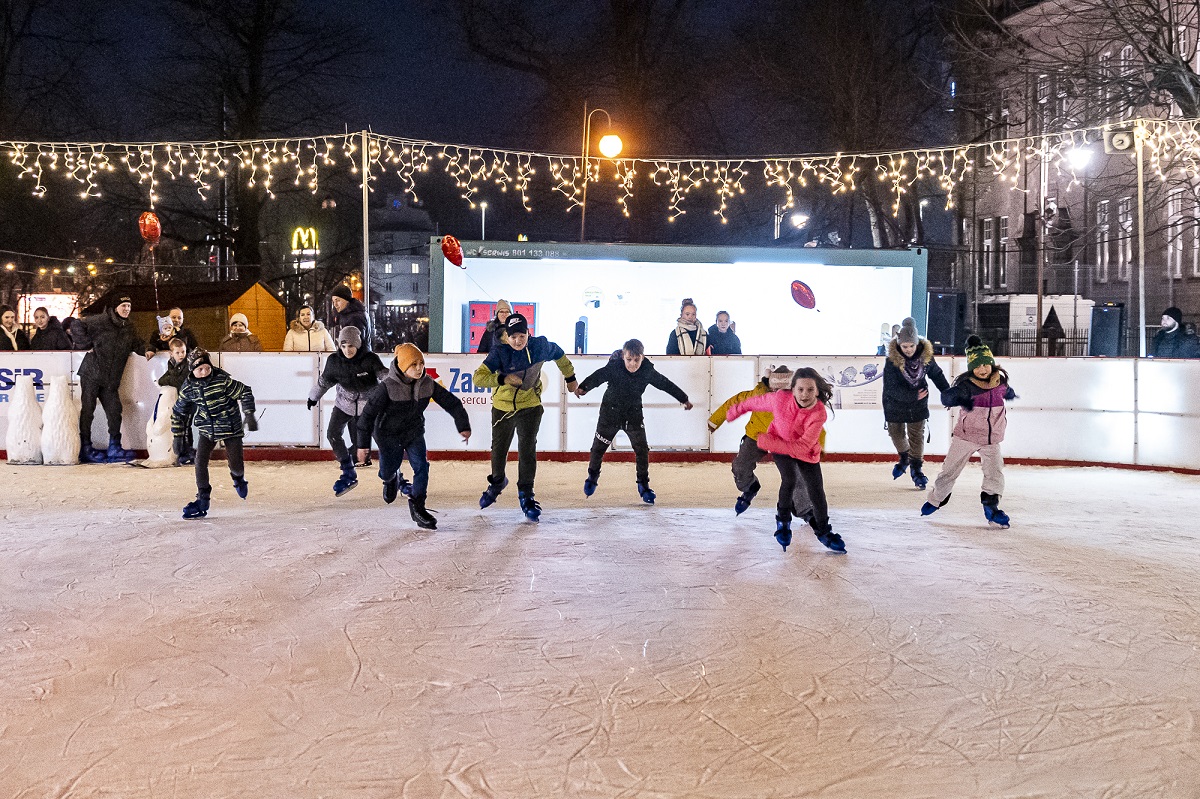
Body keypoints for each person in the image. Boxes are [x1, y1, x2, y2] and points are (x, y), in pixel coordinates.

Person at [473, 312, 579, 521]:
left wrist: (571, 379)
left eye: (522, 336)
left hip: (530, 406)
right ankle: (497, 482)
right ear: (507, 336)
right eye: (513, 337)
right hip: (502, 408)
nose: (518, 341)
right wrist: (502, 378)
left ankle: (526, 495)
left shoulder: (539, 347)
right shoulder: (500, 352)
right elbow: (478, 378)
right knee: (499, 450)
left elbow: (560, 355)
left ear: (528, 333)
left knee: (527, 449)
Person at [726, 368, 844, 553]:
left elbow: (803, 446)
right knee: (786, 478)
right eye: (801, 390)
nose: (805, 395)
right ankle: (780, 519)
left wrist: (769, 442)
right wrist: (734, 411)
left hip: (796, 448)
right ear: (792, 389)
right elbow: (751, 402)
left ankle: (821, 529)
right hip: (770, 439)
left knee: (815, 489)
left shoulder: (818, 413)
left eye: (810, 390)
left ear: (817, 391)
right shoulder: (779, 398)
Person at [358, 343, 472, 529]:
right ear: (403, 366)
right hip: (388, 434)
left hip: (413, 432)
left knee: (421, 467)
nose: (419, 368)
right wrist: (363, 446)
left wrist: (463, 425)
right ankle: (390, 478)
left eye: (421, 363)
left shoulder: (427, 383)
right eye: (413, 365)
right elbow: (367, 416)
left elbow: (452, 403)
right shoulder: (387, 387)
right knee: (388, 468)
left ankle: (418, 507)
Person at [574, 338, 692, 503]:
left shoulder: (647, 371)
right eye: (629, 359)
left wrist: (683, 399)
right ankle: (592, 477)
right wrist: (584, 387)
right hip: (610, 414)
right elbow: (599, 376)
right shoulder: (614, 367)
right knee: (598, 449)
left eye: (637, 360)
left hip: (633, 415)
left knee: (642, 450)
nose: (633, 364)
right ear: (623, 356)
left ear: (642, 357)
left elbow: (665, 384)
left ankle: (643, 485)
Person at [921, 335, 1017, 527]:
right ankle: (936, 499)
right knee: (949, 471)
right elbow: (948, 398)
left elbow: (1007, 391)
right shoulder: (967, 387)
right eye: (977, 366)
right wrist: (951, 397)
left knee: (995, 472)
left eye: (985, 365)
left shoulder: (1000, 383)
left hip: (991, 440)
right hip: (965, 437)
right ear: (972, 368)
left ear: (992, 364)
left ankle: (991, 506)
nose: (982, 369)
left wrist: (1010, 393)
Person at [171, 349, 257, 519]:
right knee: (200, 462)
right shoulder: (188, 388)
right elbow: (179, 412)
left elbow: (245, 391)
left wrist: (249, 413)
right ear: (192, 370)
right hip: (206, 429)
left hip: (230, 426)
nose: (204, 372)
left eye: (207, 368)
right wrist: (177, 435)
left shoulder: (222, 381)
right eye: (199, 369)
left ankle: (238, 478)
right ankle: (203, 498)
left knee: (236, 465)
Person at [306, 326, 387, 497]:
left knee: (379, 438)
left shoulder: (370, 359)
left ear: (358, 344)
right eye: (343, 346)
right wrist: (313, 397)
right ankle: (348, 471)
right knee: (333, 434)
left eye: (350, 346)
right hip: (344, 403)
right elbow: (324, 382)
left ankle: (392, 475)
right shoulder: (335, 362)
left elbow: (384, 376)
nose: (347, 350)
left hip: (369, 406)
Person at [709, 365, 795, 515]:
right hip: (757, 436)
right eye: (775, 388)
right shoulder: (758, 395)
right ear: (769, 384)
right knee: (740, 467)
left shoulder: (796, 399)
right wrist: (714, 421)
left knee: (795, 475)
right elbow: (733, 403)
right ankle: (750, 487)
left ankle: (804, 509)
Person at [75, 295, 151, 463]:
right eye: (123, 305)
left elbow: (137, 344)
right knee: (88, 410)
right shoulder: (100, 320)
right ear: (116, 307)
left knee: (115, 411)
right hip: (92, 373)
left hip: (110, 379)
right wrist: (85, 344)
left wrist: (148, 349)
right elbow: (76, 324)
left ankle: (114, 447)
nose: (127, 309)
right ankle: (85, 446)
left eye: (129, 306)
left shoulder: (129, 327)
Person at [883, 317, 950, 490]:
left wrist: (948, 393)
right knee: (896, 434)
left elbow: (937, 374)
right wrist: (914, 396)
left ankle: (916, 469)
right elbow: (891, 388)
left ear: (916, 343)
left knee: (916, 436)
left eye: (911, 346)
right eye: (905, 347)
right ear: (899, 345)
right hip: (895, 404)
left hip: (918, 405)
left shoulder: (925, 357)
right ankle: (905, 457)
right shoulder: (892, 361)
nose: (908, 350)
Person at [158, 337, 195, 464]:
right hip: (180, 401)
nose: (181, 355)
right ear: (171, 353)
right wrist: (166, 379)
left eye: (183, 352)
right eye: (178, 353)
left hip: (190, 401)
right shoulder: (172, 364)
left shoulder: (188, 365)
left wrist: (168, 379)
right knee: (180, 427)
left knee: (186, 427)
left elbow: (179, 381)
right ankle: (182, 452)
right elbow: (164, 378)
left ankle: (188, 452)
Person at [330, 285, 370, 349]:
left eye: (338, 300)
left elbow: (356, 345)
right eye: (333, 301)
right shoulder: (344, 315)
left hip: (359, 357)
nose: (335, 304)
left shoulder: (355, 318)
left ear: (347, 300)